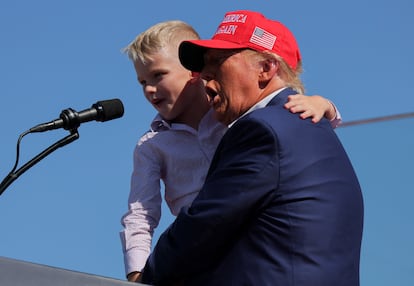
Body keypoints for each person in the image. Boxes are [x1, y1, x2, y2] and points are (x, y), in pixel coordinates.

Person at [140, 10, 364, 286]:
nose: (203, 75)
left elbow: (201, 227)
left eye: (218, 61)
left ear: (266, 69)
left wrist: (143, 281)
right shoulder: (306, 126)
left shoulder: (262, 130)